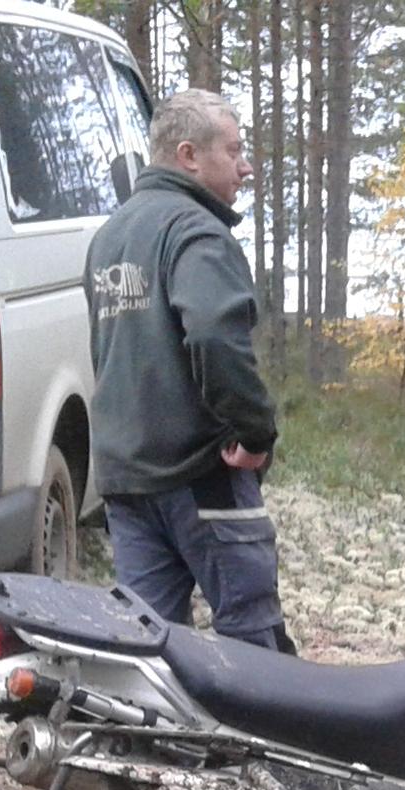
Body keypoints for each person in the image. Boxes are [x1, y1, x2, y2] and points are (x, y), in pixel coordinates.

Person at [84, 90, 288, 652]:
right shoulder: (197, 232)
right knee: (253, 649)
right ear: (189, 156)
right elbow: (214, 336)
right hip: (202, 475)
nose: (246, 167)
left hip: (126, 481)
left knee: (149, 651)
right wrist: (255, 433)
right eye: (234, 151)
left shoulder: (109, 239)